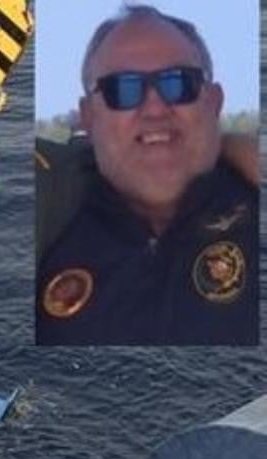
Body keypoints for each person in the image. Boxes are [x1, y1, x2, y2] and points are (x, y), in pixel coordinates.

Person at [36, 5, 258, 345]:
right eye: (122, 90)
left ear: (213, 103)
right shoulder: (54, 203)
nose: (154, 108)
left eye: (178, 84)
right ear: (88, 117)